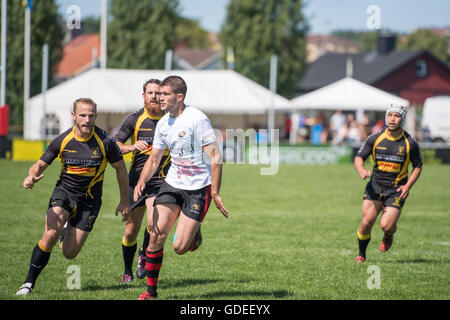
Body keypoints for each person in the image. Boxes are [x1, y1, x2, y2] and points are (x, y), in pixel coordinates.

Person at [16, 98, 130, 295]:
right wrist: (31, 176)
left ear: (96, 115)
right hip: (65, 193)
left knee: (69, 253)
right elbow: (39, 165)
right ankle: (28, 283)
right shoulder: (62, 140)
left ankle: (66, 229)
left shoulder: (105, 142)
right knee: (50, 233)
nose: (87, 119)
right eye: (83, 115)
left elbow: (120, 169)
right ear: (74, 115)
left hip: (90, 201)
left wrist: (124, 200)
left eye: (91, 115)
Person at [133, 75, 229, 300]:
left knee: (179, 247)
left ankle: (194, 235)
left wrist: (214, 193)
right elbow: (154, 159)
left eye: (164, 94)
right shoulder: (164, 123)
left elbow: (216, 156)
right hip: (172, 184)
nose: (159, 98)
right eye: (157, 94)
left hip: (197, 189)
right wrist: (141, 181)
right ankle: (151, 293)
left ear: (179, 97)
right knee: (155, 234)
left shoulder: (197, 118)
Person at [114, 79, 171, 284]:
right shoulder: (134, 119)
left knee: (153, 223)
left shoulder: (171, 118)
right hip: (136, 180)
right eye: (150, 93)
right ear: (143, 96)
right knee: (130, 231)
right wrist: (131, 147)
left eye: (159, 93)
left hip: (161, 181)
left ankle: (144, 255)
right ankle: (127, 271)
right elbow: (115, 145)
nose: (155, 97)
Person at [354, 104, 423, 263]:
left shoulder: (409, 143)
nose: (392, 119)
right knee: (366, 221)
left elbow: (418, 166)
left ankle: (388, 235)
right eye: (390, 115)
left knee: (386, 225)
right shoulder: (375, 138)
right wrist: (361, 170)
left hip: (396, 190)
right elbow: (359, 157)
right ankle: (361, 254)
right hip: (375, 186)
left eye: (397, 116)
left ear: (402, 119)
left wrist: (408, 186)